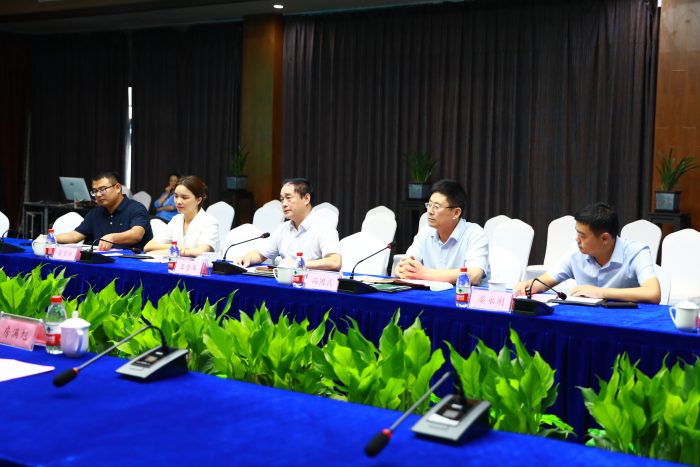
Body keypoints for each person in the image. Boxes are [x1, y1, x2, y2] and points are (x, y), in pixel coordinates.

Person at [514, 202, 661, 304]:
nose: (576, 239)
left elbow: (653, 293)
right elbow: (544, 282)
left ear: (605, 238)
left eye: (582, 236)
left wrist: (601, 292)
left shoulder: (636, 252)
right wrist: (529, 285)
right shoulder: (576, 251)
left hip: (625, 324)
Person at [234, 178, 342, 271]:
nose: (284, 204)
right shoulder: (283, 228)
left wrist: (298, 264)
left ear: (306, 199)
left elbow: (335, 262)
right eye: (282, 199)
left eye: (288, 198)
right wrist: (246, 258)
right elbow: (260, 254)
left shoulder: (324, 227)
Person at [396, 179, 488, 285]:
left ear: (456, 213)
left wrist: (424, 273)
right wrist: (401, 269)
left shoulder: (475, 234)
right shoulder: (426, 231)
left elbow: (474, 275)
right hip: (431, 293)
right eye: (429, 205)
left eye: (436, 207)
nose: (430, 211)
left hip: (464, 294)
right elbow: (406, 263)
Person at [51, 171, 152, 251]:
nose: (98, 195)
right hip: (102, 262)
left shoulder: (136, 208)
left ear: (117, 188)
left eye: (102, 189)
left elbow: (136, 235)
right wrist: (50, 238)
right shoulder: (95, 213)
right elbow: (74, 236)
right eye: (95, 191)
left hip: (132, 263)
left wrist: (112, 237)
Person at [144, 175, 219, 256]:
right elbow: (148, 246)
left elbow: (200, 252)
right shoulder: (176, 220)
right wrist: (173, 247)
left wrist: (169, 251)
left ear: (198, 200)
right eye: (176, 196)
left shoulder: (209, 221)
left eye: (184, 197)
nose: (178, 201)